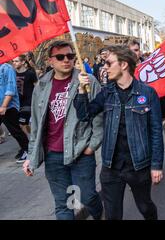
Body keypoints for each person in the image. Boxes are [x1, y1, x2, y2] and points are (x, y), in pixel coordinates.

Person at [75, 45, 164, 220]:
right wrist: (81, 91)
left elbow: (155, 131)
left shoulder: (147, 93)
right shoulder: (106, 92)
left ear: (123, 65)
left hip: (138, 165)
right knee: (113, 215)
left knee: (145, 207)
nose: (104, 67)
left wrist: (156, 165)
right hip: (111, 167)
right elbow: (84, 115)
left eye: (108, 63)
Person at [22, 40, 104, 220]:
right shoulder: (42, 85)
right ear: (50, 61)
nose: (66, 60)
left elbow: (99, 117)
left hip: (81, 152)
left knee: (87, 196)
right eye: (60, 57)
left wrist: (92, 146)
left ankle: (100, 214)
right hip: (53, 155)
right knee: (63, 204)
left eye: (70, 56)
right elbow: (36, 124)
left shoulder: (87, 80)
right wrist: (31, 156)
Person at [0, 62, 29, 163]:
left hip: (8, 106)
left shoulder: (6, 68)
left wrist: (4, 105)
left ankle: (28, 151)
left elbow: (10, 88)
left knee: (15, 130)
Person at [12, 55, 38, 135]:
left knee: (22, 124)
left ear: (23, 62)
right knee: (24, 124)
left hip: (28, 103)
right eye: (13, 61)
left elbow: (37, 87)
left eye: (16, 61)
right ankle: (34, 137)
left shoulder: (30, 73)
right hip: (16, 103)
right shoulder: (13, 74)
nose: (14, 63)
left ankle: (29, 143)